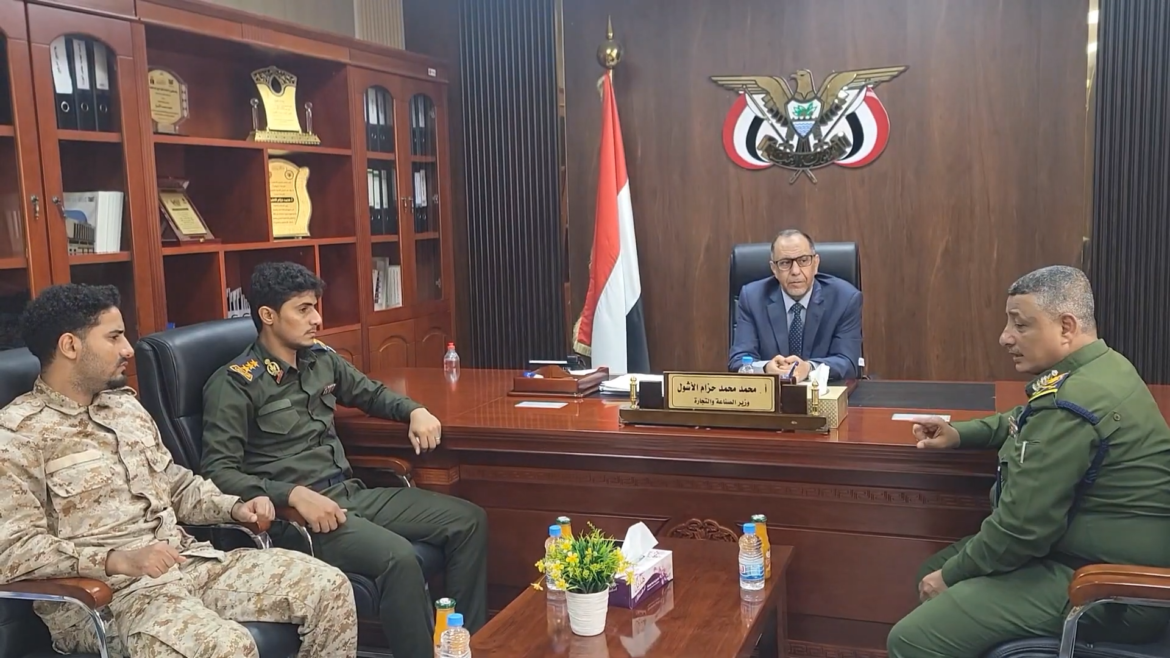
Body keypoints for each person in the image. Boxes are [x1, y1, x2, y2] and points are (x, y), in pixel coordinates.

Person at [0, 283, 358, 658]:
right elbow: (14, 550)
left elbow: (173, 482)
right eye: (114, 337)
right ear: (70, 346)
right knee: (228, 648)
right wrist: (117, 560)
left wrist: (234, 507)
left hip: (187, 564)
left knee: (329, 587)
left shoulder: (124, 408)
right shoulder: (18, 434)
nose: (128, 349)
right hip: (110, 600)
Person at [201, 261, 488, 658]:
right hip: (298, 519)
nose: (317, 319)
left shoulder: (320, 359)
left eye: (316, 307)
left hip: (349, 494)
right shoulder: (234, 384)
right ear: (267, 315)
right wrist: (291, 495)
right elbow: (217, 472)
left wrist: (414, 410)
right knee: (399, 559)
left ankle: (468, 647)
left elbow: (370, 393)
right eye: (303, 309)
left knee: (469, 521)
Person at [887, 266, 1170, 657]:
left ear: (1066, 327)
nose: (1005, 337)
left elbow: (1022, 530)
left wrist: (950, 577)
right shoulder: (1101, 367)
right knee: (931, 573)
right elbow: (1026, 418)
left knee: (911, 639)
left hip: (1110, 586)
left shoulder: (1073, 403)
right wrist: (961, 434)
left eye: (1020, 325)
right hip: (1084, 557)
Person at [728, 229, 862, 381]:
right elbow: (739, 359)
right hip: (772, 393)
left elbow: (848, 362)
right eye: (785, 263)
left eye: (803, 261)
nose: (795, 271)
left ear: (815, 263)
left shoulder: (845, 299)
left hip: (823, 392)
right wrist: (765, 369)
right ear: (774, 269)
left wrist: (809, 368)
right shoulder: (752, 298)